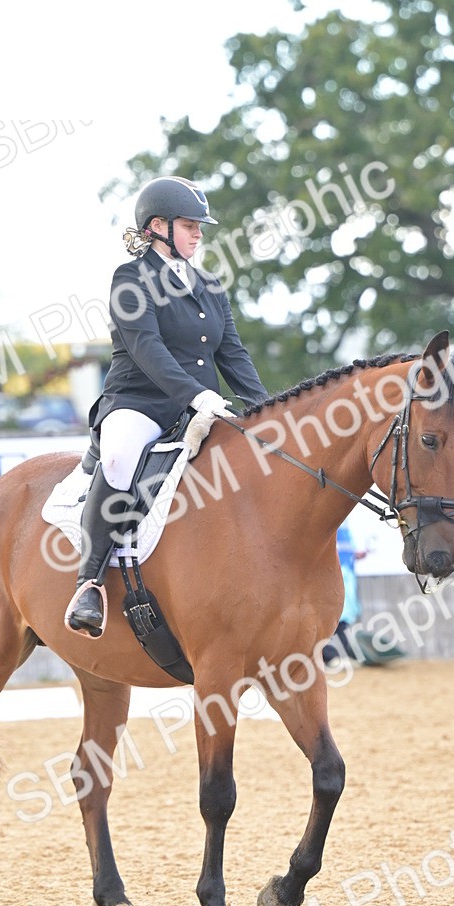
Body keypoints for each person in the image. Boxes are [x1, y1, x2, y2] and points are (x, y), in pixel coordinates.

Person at [65, 175, 269, 637]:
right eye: (190, 224)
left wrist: (268, 411)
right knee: (118, 458)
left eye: (201, 226)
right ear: (157, 226)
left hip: (202, 408)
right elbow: (147, 349)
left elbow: (232, 354)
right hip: (139, 403)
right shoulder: (130, 279)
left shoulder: (210, 286)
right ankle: (89, 583)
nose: (199, 233)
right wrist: (198, 396)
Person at [322, 523, 407, 668]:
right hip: (331, 575)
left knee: (340, 620)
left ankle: (337, 656)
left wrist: (354, 554)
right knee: (329, 620)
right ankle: (331, 656)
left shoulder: (344, 526)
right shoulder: (331, 522)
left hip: (344, 573)